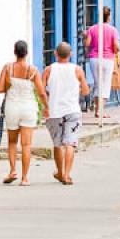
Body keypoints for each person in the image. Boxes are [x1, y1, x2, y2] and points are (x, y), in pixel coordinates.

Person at [0, 40, 48, 187]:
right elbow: (41, 92)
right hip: (28, 108)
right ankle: (25, 178)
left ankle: (12, 170)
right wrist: (46, 107)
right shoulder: (33, 71)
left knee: (12, 142)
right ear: (26, 53)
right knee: (26, 145)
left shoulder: (8, 68)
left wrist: (8, 83)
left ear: (15, 52)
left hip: (12, 108)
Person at [43, 42, 90, 185]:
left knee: (58, 144)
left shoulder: (49, 69)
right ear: (70, 55)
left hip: (54, 111)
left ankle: (60, 172)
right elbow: (86, 91)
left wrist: (46, 103)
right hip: (73, 111)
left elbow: (41, 88)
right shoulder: (77, 70)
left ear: (55, 54)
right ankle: (67, 175)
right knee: (70, 143)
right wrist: (77, 93)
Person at [84, 6, 120, 118]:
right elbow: (116, 47)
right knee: (105, 85)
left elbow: (87, 44)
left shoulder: (92, 29)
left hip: (94, 59)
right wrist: (117, 50)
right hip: (107, 59)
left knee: (97, 84)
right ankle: (101, 110)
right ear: (108, 17)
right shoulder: (113, 30)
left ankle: (97, 110)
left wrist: (85, 37)